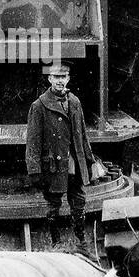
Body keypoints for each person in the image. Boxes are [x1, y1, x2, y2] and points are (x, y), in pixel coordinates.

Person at [26, 62, 107, 248]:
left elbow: (83, 135)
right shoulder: (39, 106)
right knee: (54, 205)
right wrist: (34, 170)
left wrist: (90, 161)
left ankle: (81, 241)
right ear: (49, 79)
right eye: (56, 77)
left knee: (78, 201)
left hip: (75, 163)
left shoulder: (75, 102)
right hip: (54, 164)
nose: (60, 81)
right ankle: (56, 242)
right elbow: (33, 142)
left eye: (63, 77)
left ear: (68, 78)